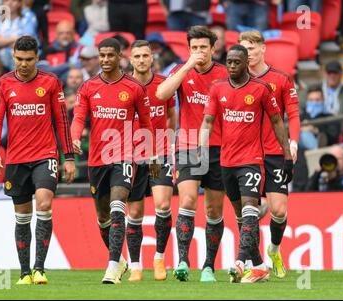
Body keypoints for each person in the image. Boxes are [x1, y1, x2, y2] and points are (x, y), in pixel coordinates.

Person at [0, 36, 76, 285]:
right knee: (22, 215)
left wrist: (68, 156)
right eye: (18, 59)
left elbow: (61, 120)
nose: (23, 64)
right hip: (16, 159)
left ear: (37, 58)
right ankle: (25, 272)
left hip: (45, 155)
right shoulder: (4, 83)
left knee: (44, 204)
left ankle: (40, 269)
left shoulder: (50, 82)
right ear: (13, 57)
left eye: (28, 59)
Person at [71, 38, 160, 284]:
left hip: (124, 155)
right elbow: (79, 118)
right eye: (102, 55)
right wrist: (74, 138)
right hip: (97, 159)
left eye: (111, 55)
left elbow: (146, 123)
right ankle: (119, 260)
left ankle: (112, 267)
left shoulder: (133, 88)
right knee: (102, 216)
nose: (106, 59)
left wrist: (152, 154)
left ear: (120, 56)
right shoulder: (88, 87)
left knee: (118, 203)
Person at [201, 44, 293, 283]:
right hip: (226, 161)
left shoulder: (261, 89)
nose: (231, 66)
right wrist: (199, 151)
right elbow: (207, 122)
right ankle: (260, 266)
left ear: (245, 63)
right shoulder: (217, 88)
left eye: (236, 62)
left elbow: (277, 121)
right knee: (243, 218)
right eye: (229, 61)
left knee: (251, 210)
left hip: (252, 161)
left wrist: (287, 155)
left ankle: (240, 263)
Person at [156, 25, 228, 282]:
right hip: (187, 143)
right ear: (188, 49)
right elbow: (161, 93)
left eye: (203, 47)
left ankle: (208, 265)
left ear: (213, 48)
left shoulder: (224, 73)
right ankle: (183, 260)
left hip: (219, 147)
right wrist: (187, 66)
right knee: (186, 201)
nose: (199, 52)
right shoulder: (180, 70)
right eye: (194, 47)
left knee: (213, 209)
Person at [239, 30, 300, 279]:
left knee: (278, 210)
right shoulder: (234, 80)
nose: (248, 54)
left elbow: (293, 115)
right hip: (245, 153)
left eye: (252, 48)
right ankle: (253, 264)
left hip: (274, 152)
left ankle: (274, 249)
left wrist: (293, 143)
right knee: (248, 209)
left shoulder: (281, 79)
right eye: (244, 50)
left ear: (263, 48)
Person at [125, 40, 176, 282]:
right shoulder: (123, 85)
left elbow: (170, 116)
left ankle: (159, 257)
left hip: (159, 154)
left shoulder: (164, 84)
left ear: (152, 58)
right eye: (137, 56)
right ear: (130, 59)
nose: (142, 60)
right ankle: (135, 265)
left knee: (163, 206)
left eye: (146, 55)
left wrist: (171, 145)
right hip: (132, 155)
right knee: (134, 211)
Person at [0, 0, 38, 72]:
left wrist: (3, 42)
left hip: (22, 61)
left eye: (14, 0)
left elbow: (26, 43)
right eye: (6, 0)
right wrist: (16, 38)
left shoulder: (27, 19)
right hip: (0, 64)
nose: (10, 3)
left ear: (19, 3)